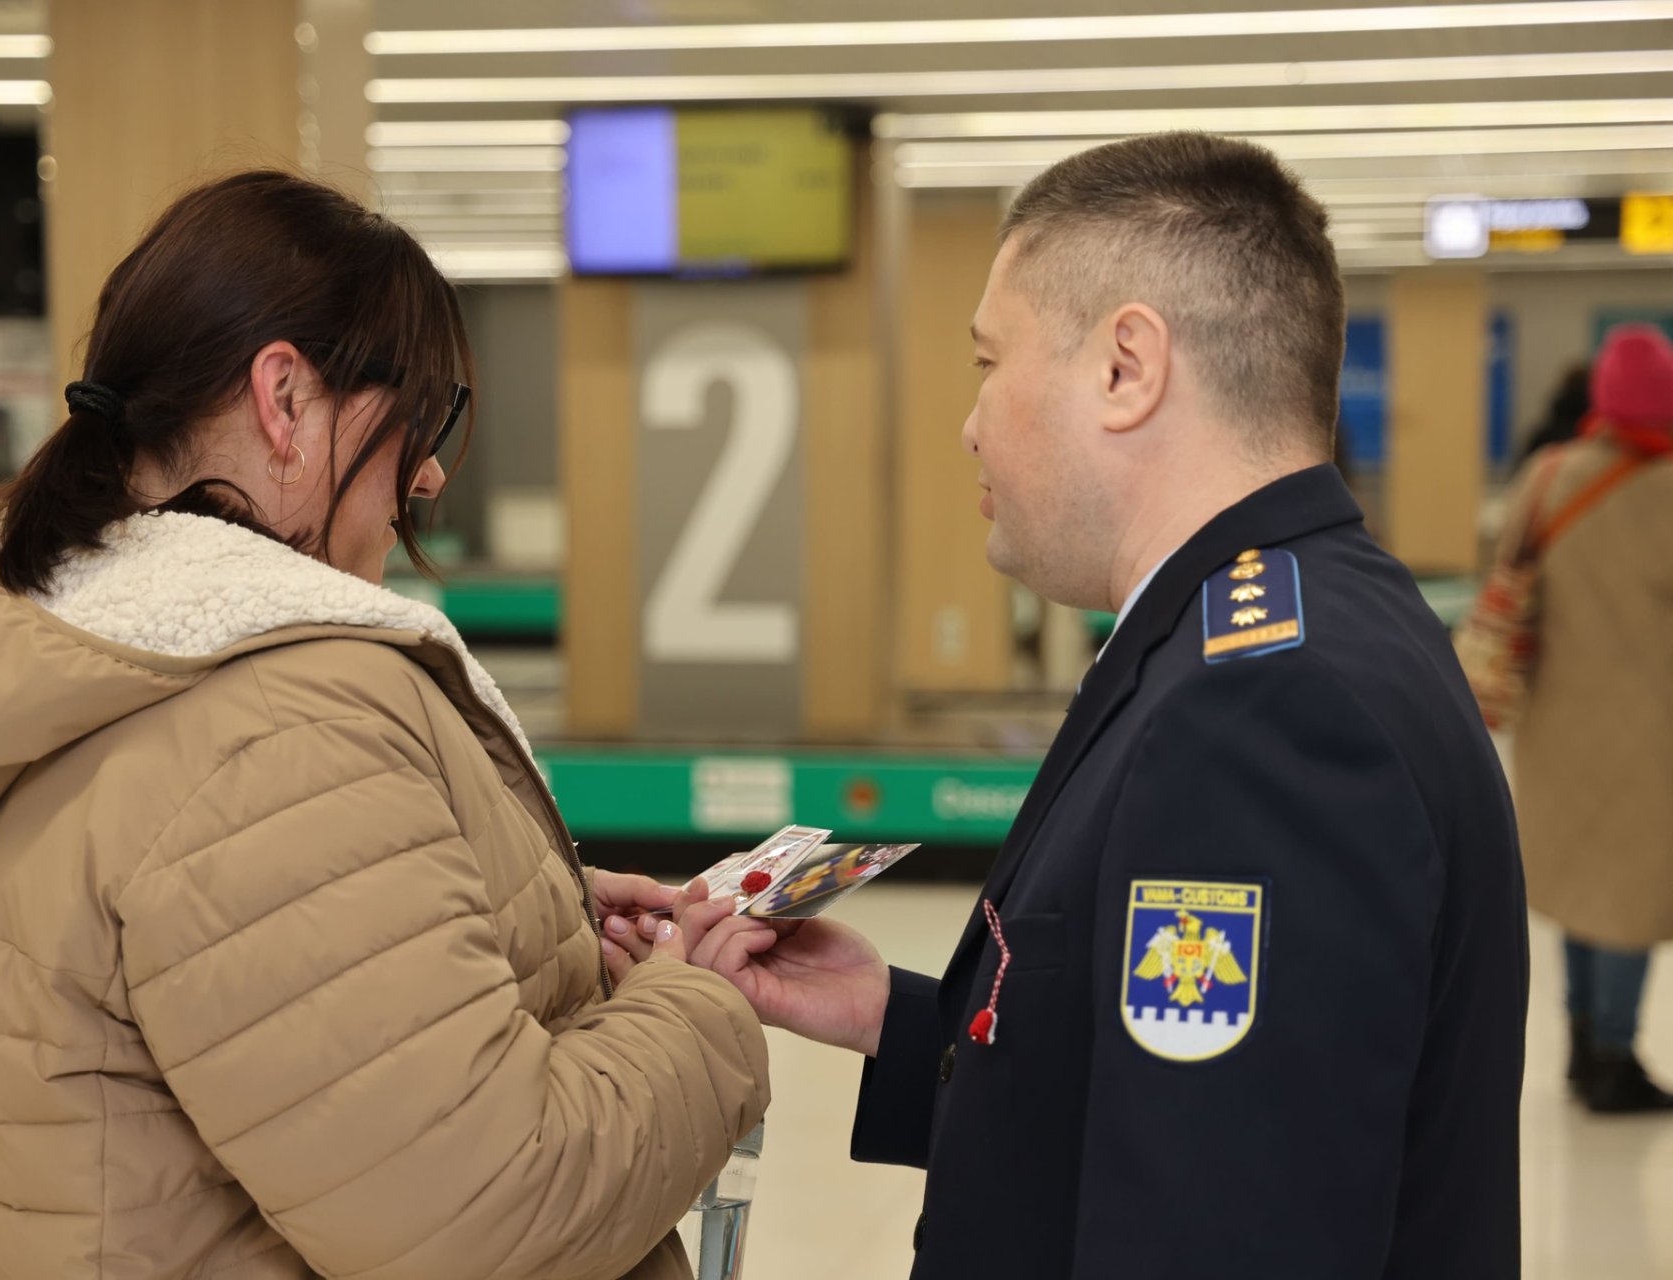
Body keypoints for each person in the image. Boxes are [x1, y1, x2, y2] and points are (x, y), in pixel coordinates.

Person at [0, 171, 767, 1279]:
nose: (429, 473)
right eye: (424, 416)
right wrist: (698, 1006)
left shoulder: (34, 646)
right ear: (285, 398)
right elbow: (486, 1214)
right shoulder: (279, 727)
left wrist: (510, 907)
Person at [680, 133, 1529, 1276]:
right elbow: (1177, 1099)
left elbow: (1222, 1233)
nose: (972, 422)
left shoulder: (1262, 710)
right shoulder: (1303, 619)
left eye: (989, 361)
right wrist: (898, 1016)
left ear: (1128, 367)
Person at [1498, 324, 1673, 1113]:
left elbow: (1505, 569)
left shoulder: (1550, 474)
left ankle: (1578, 1043)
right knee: (1630, 895)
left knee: (1579, 884)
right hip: (1651, 731)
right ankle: (1614, 1056)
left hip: (1556, 719)